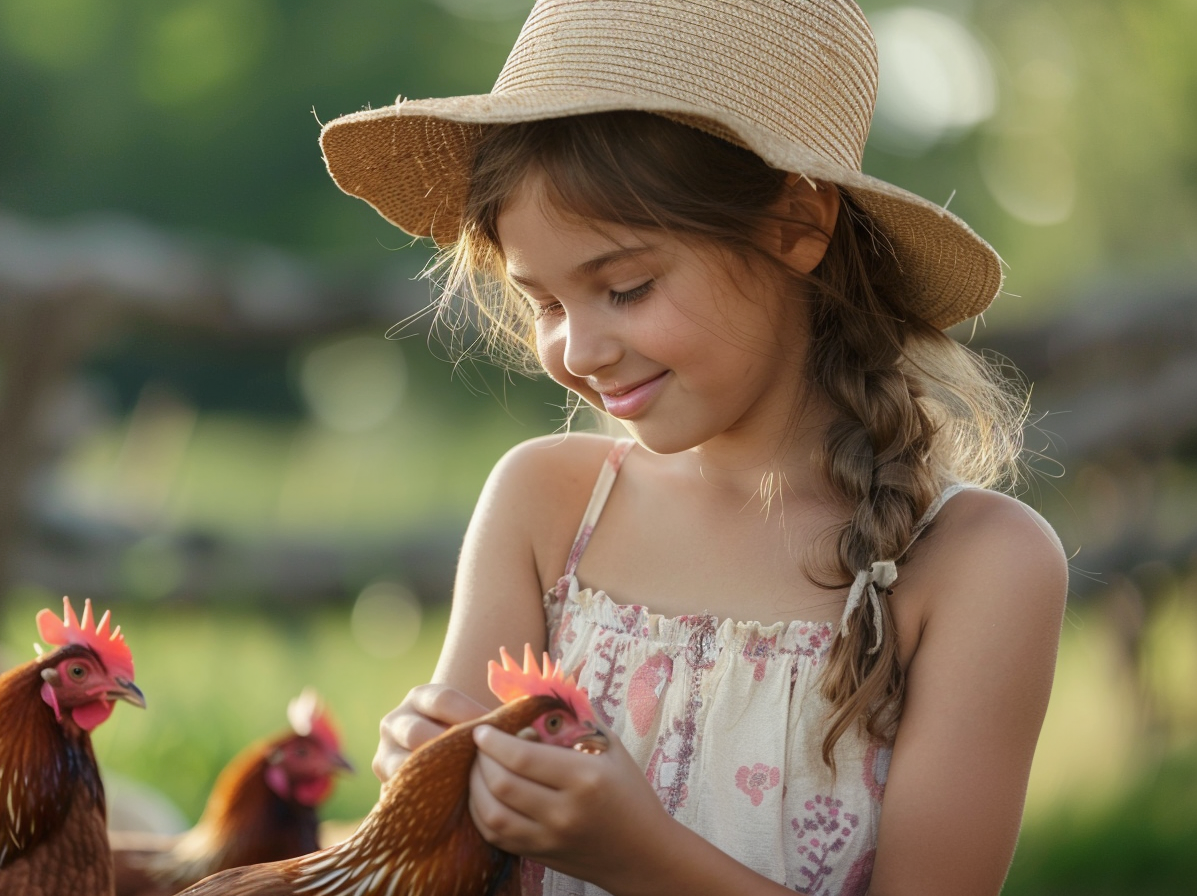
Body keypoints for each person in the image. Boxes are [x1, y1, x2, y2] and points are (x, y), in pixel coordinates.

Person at [320, 1, 1068, 894]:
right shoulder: (547, 505)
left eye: (626, 288)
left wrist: (637, 856)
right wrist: (433, 779)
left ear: (797, 227)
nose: (577, 350)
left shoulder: (979, 565)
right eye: (546, 304)